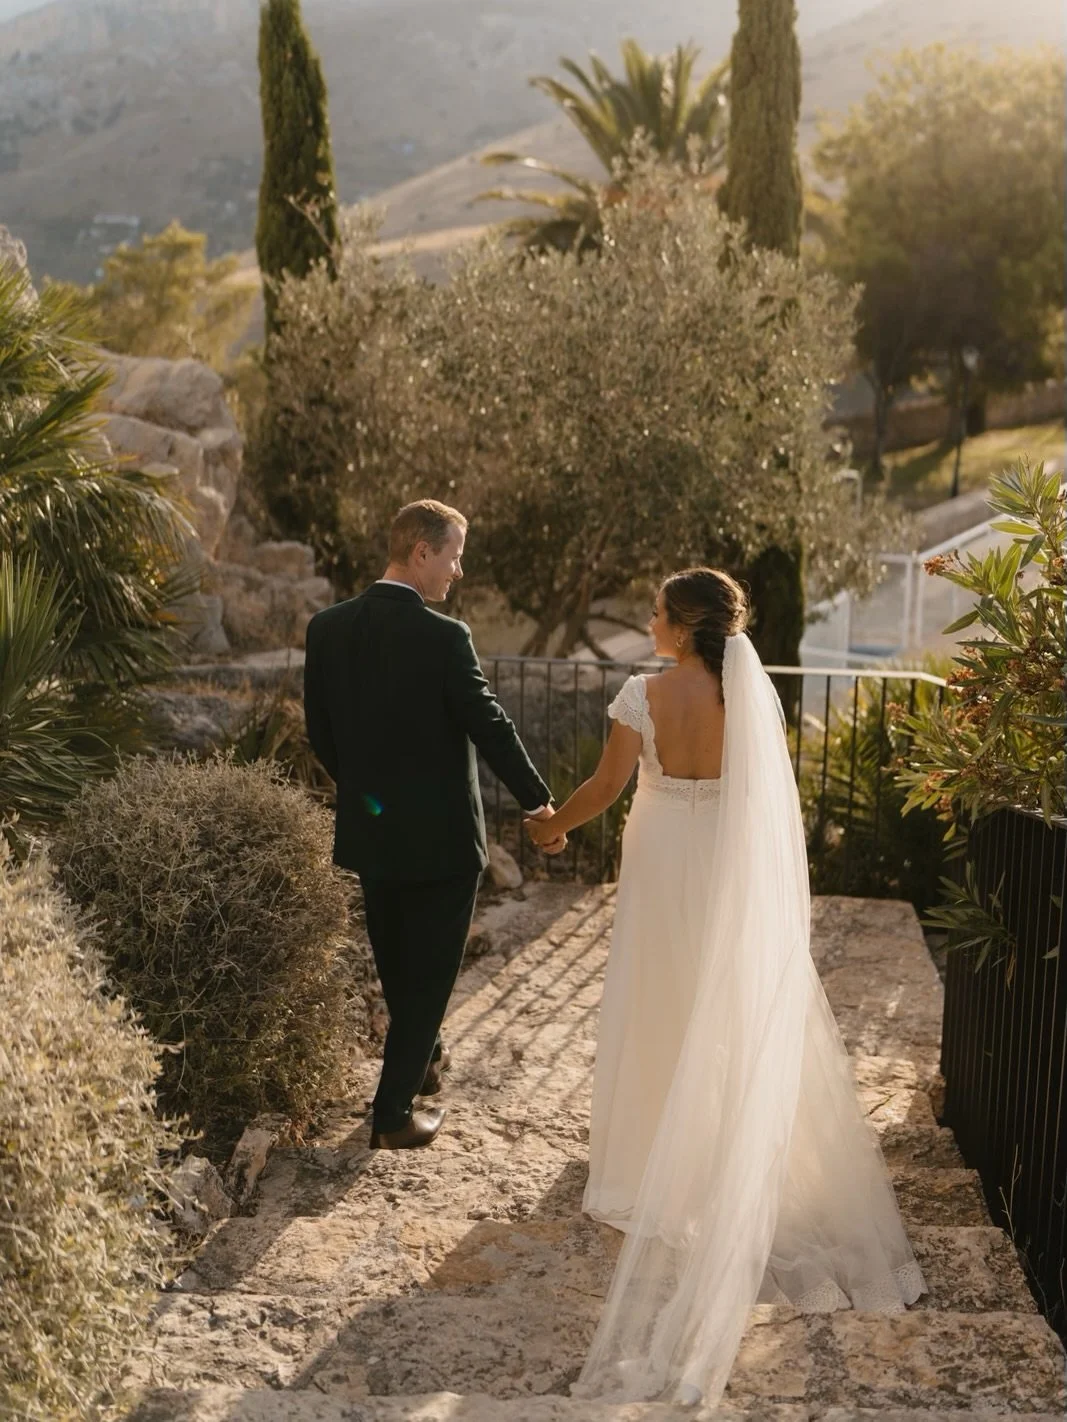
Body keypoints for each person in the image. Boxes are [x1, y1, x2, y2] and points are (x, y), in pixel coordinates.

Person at [526, 567, 926, 1407]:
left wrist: (551, 826)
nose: (646, 620)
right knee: (725, 1008)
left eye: (656, 613)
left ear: (679, 624)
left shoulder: (641, 694)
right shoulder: (748, 697)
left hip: (663, 855)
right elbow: (763, 801)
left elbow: (604, 789)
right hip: (721, 869)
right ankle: (719, 1154)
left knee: (658, 1002)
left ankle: (646, 1167)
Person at [304, 499, 561, 1150]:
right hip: (445, 842)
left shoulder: (327, 629)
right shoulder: (445, 639)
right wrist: (539, 805)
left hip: (373, 834)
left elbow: (320, 735)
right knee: (429, 976)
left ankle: (427, 1059)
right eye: (452, 555)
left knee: (398, 965)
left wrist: (368, 797)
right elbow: (491, 727)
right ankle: (391, 1116)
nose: (458, 569)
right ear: (420, 552)